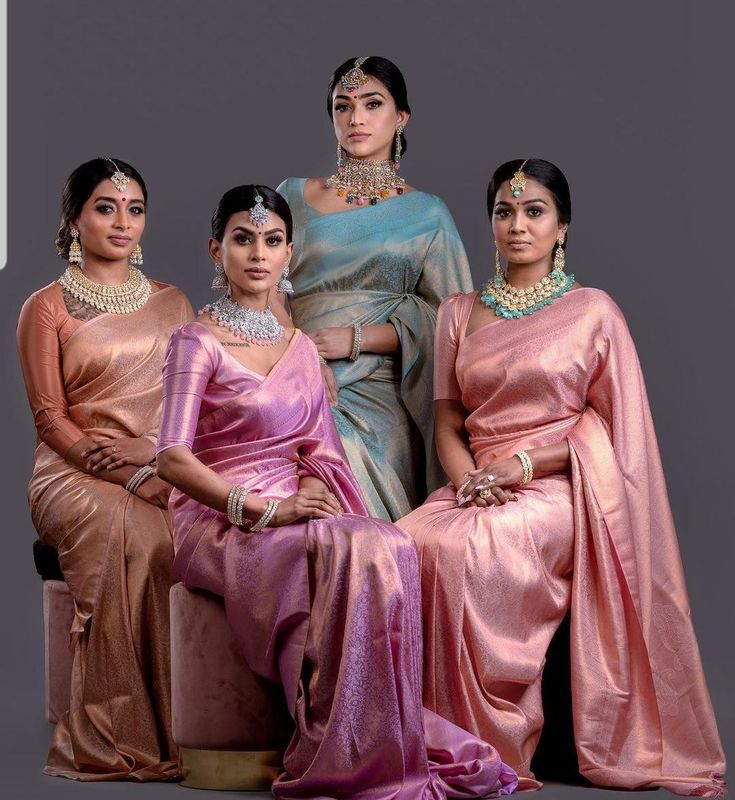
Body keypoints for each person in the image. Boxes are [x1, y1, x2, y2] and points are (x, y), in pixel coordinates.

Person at [155, 184, 517, 800]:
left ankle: (373, 734)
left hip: (295, 504)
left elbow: (320, 450)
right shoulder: (198, 341)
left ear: (290, 251)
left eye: (273, 241)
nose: (258, 255)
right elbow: (171, 456)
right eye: (243, 239)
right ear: (216, 251)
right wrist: (265, 509)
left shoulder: (298, 348)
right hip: (221, 516)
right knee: (329, 554)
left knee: (386, 546)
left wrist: (307, 496)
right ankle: (350, 742)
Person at [397, 159, 726, 795]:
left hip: (561, 488)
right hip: (475, 482)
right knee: (402, 545)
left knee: (468, 552)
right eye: (503, 211)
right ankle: (415, 735)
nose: (517, 225)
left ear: (562, 227)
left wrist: (524, 464)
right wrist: (469, 481)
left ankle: (486, 745)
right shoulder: (459, 314)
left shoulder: (593, 313)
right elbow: (447, 422)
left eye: (534, 211)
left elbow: (615, 432)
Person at [16, 157, 193, 780]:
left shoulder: (173, 302)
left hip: (162, 459)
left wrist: (159, 464)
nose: (123, 222)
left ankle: (201, 726)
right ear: (74, 219)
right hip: (75, 470)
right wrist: (131, 476)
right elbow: (50, 419)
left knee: (197, 535)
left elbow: (195, 404)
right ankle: (126, 731)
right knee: (142, 540)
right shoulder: (45, 308)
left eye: (135, 209)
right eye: (105, 207)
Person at [276, 56, 473, 521]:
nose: (356, 118)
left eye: (372, 104)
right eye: (342, 106)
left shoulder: (428, 213)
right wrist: (300, 353)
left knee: (342, 468)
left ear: (401, 117)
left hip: (382, 391)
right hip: (289, 374)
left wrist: (358, 339)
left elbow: (453, 326)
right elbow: (263, 291)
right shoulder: (290, 196)